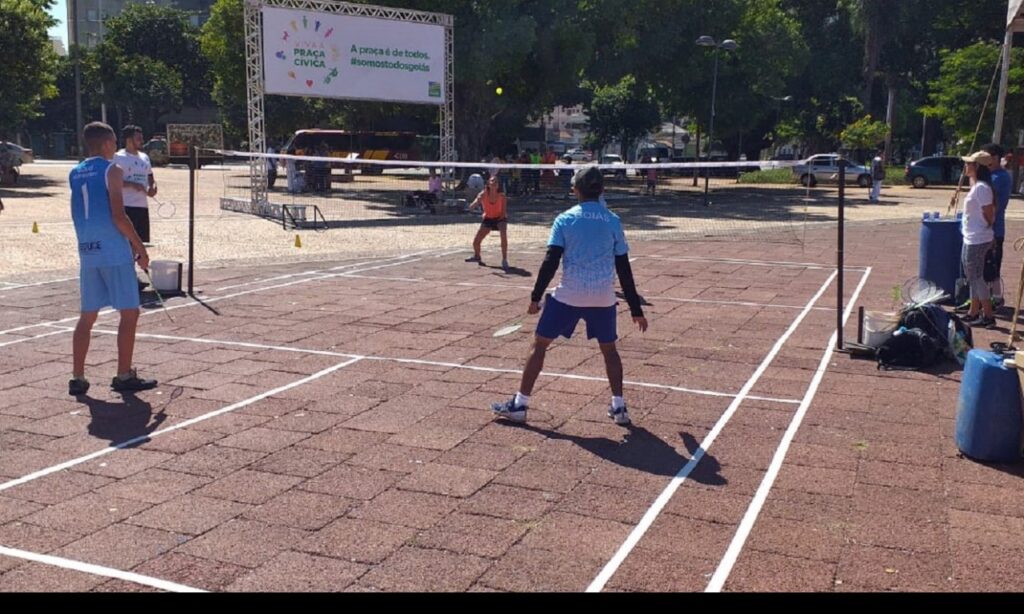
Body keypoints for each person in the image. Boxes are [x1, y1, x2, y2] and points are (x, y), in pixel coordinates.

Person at [491, 165, 648, 426]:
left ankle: (520, 404)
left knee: (539, 344)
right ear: (602, 190)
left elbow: (550, 260)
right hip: (603, 297)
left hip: (569, 295)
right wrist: (636, 309)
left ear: (575, 189)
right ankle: (619, 408)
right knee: (609, 351)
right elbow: (624, 267)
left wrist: (535, 296)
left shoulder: (564, 219)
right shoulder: (613, 220)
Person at [68, 122, 158, 396]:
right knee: (130, 312)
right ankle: (123, 374)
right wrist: (139, 246)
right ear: (107, 143)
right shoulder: (113, 170)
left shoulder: (75, 172)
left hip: (88, 250)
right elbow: (119, 215)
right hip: (112, 249)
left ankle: (78, 377)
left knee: (87, 316)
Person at [959, 151, 997, 328]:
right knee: (971, 276)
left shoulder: (982, 188)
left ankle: (988, 314)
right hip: (971, 236)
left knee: (976, 276)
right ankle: (973, 311)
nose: (966, 166)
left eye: (970, 164)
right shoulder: (977, 185)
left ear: (978, 167)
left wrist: (986, 227)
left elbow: (989, 213)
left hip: (978, 238)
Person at [112, 125, 157, 246]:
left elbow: (150, 176)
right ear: (128, 140)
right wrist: (131, 184)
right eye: (138, 138)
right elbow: (111, 181)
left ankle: (134, 264)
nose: (142, 141)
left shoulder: (144, 157)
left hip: (142, 206)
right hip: (125, 206)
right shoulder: (118, 157)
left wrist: (152, 186)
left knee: (139, 242)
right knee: (125, 242)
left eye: (141, 138)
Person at [982, 143, 1012, 307]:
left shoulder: (1000, 177)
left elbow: (994, 206)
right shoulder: (989, 176)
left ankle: (996, 297)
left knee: (991, 265)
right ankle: (987, 297)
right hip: (986, 229)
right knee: (985, 264)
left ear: (994, 158)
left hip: (993, 229)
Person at [465, 175, 510, 271]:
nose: (494, 183)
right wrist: (472, 205)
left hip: (500, 218)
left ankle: (504, 260)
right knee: (476, 242)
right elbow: (474, 203)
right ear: (488, 184)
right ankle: (477, 256)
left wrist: (499, 223)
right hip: (488, 218)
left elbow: (503, 212)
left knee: (503, 235)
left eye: (496, 182)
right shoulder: (483, 194)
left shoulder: (502, 196)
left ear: (498, 185)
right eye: (492, 182)